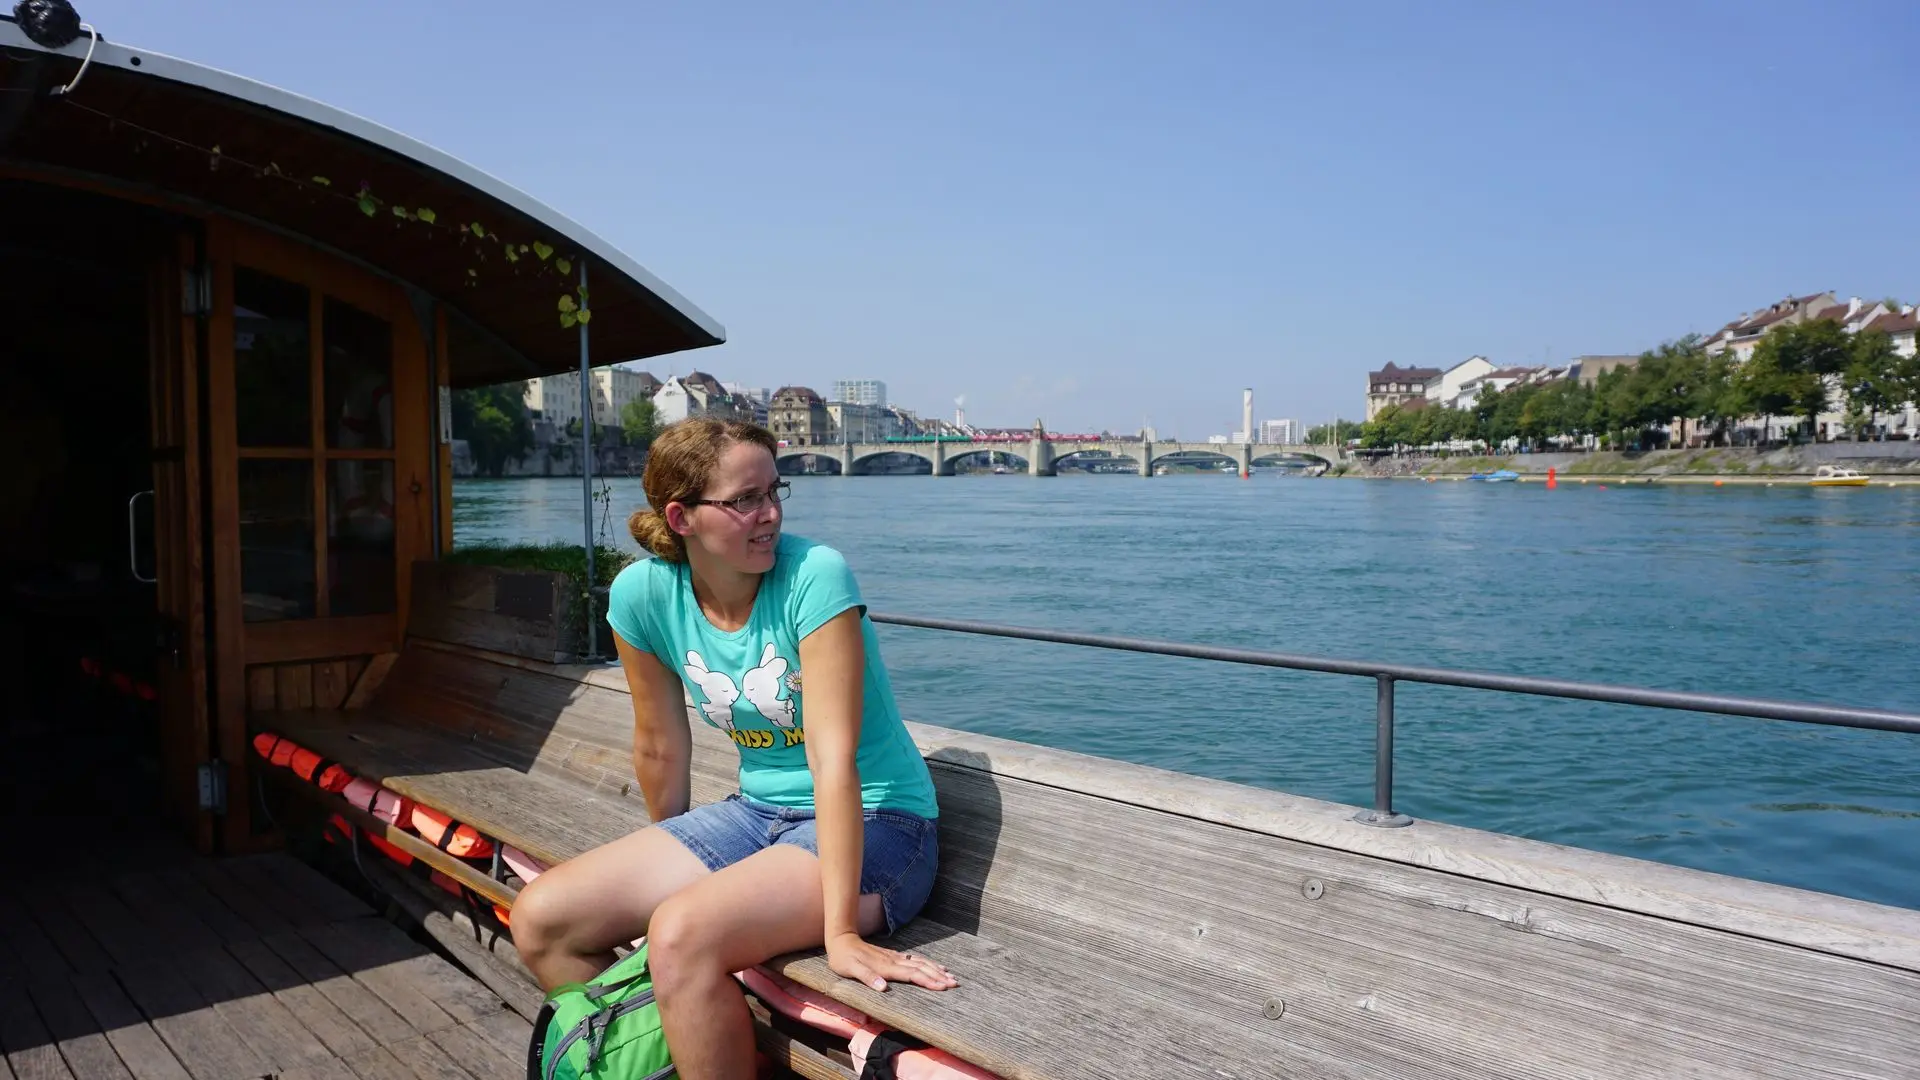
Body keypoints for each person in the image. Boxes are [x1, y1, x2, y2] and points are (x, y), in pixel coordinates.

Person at [513, 418, 956, 1079]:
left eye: (774, 491)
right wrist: (672, 863)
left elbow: (833, 760)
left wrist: (840, 933)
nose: (770, 513)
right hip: (755, 815)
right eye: (745, 499)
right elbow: (659, 743)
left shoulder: (814, 577)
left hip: (879, 821)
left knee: (682, 935)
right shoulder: (642, 596)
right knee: (542, 920)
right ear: (681, 517)